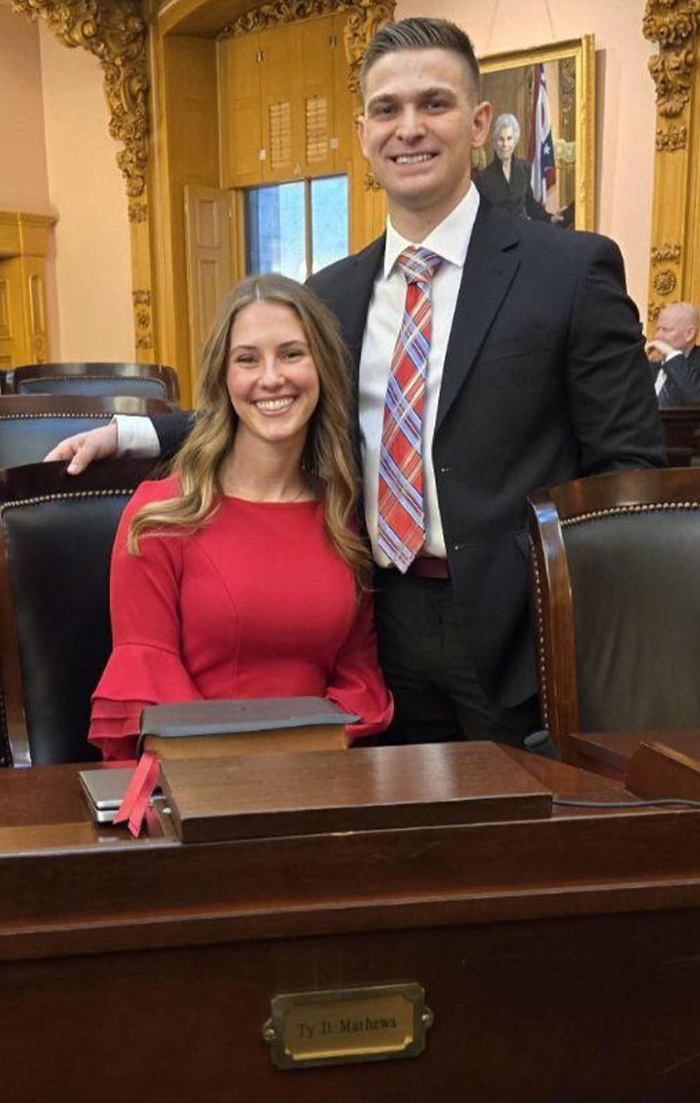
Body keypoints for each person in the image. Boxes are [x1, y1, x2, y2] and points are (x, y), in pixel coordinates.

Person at [48, 17, 665, 751]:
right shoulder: (333, 292)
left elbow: (629, 470)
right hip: (374, 619)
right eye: (387, 109)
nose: (410, 128)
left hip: (519, 633)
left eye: (433, 104)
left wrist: (588, 629)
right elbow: (274, 400)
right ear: (364, 133)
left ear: (477, 123)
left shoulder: (568, 270)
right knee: (388, 819)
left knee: (520, 820)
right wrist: (135, 431)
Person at [88, 274, 392, 760]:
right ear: (223, 379)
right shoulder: (160, 516)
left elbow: (357, 678)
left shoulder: (342, 517)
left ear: (321, 369)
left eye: (291, 354)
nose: (271, 377)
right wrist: (252, 770)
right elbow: (150, 682)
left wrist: (307, 766)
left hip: (322, 775)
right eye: (247, 359)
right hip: (194, 777)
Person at [475, 113, 557, 222]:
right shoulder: (483, 178)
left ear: (515, 140)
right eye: (501, 139)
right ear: (494, 142)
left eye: (509, 139)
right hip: (498, 230)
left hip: (521, 229)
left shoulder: (525, 169)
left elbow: (531, 206)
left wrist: (550, 218)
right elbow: (481, 216)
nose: (505, 144)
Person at [645, 301, 700, 405]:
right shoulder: (651, 363)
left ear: (689, 334)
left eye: (666, 330)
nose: (657, 336)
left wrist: (672, 355)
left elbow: (696, 398)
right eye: (658, 329)